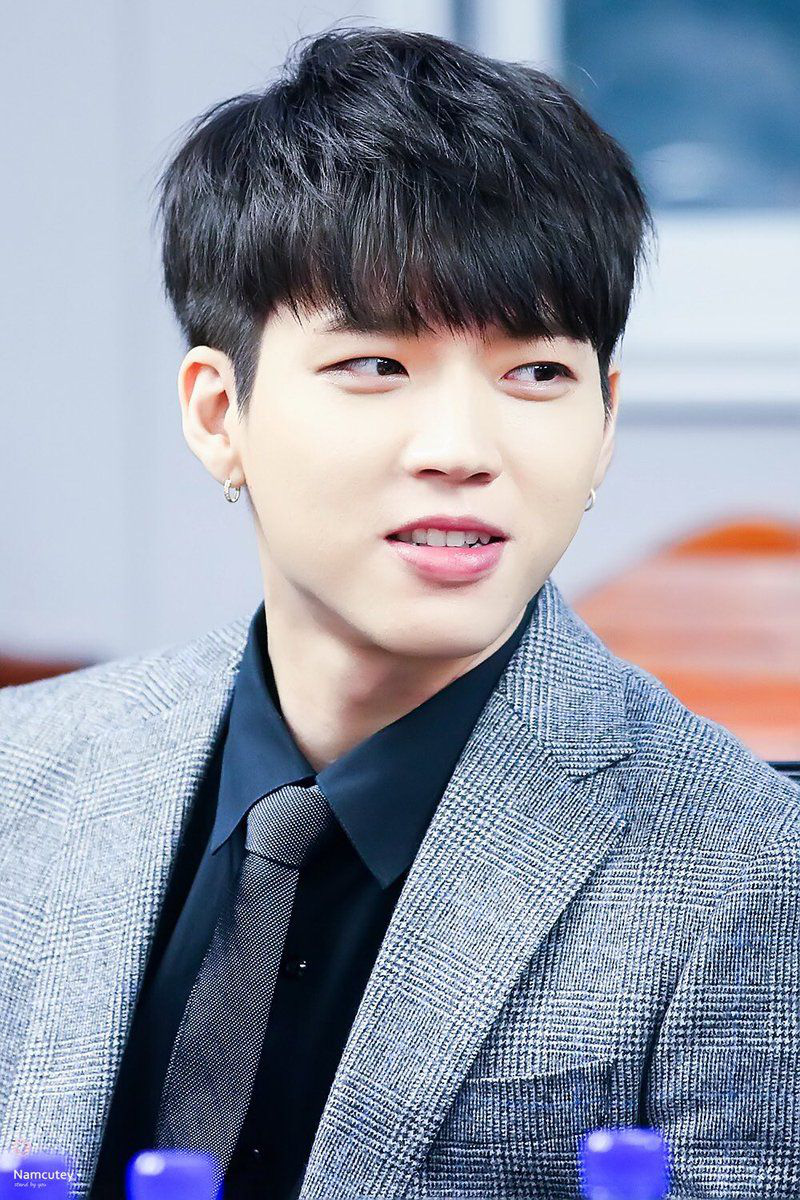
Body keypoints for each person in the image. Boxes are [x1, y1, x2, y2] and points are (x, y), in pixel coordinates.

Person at [1, 25, 797, 1200]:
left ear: (603, 423)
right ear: (219, 414)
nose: (462, 449)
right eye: (376, 366)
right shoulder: (25, 781)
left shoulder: (746, 869)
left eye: (535, 374)